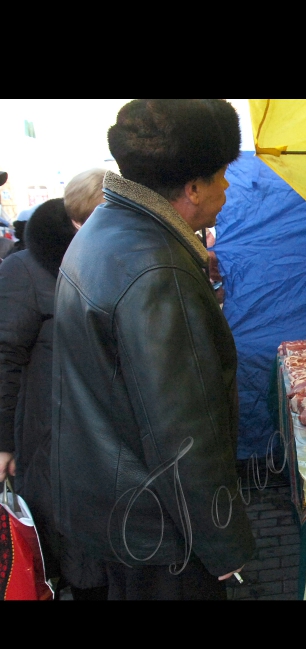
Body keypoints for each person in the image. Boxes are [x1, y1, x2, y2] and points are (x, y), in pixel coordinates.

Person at [51, 99, 256, 600]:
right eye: (221, 175)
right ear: (192, 189)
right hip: (161, 532)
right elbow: (182, 430)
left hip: (113, 508)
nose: (227, 187)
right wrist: (224, 546)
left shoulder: (104, 229)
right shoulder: (157, 268)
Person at [0, 193, 108, 601]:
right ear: (77, 219)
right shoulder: (24, 269)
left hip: (104, 432)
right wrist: (3, 443)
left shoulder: (105, 261)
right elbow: (5, 357)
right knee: (68, 549)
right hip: (50, 431)